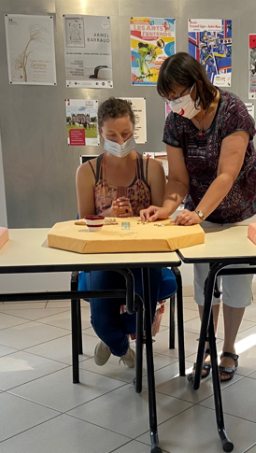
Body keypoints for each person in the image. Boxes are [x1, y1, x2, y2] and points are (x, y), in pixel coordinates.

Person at [141, 52, 256, 382]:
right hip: (201, 207)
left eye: (178, 95)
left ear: (198, 84)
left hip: (243, 207)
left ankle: (228, 347)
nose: (175, 103)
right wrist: (167, 208)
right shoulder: (176, 121)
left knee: (237, 277)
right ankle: (208, 345)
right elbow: (178, 180)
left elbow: (227, 174)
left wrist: (197, 213)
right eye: (168, 99)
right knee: (204, 278)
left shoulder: (232, 111)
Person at [76, 97, 166, 367]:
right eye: (112, 134)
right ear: (100, 133)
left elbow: (161, 218)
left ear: (134, 130)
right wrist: (109, 215)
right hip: (102, 257)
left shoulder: (151, 168)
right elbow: (83, 222)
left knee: (140, 317)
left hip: (144, 257)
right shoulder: (88, 171)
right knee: (101, 321)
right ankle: (119, 346)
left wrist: (139, 216)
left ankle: (114, 340)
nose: (120, 140)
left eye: (126, 134)